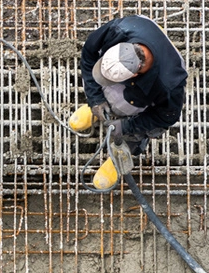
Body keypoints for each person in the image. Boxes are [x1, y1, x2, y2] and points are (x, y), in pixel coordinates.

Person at [69, 15, 187, 191]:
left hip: (145, 101)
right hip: (143, 42)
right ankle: (97, 109)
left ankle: (125, 150)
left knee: (147, 128)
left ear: (134, 75)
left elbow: (166, 118)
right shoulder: (120, 30)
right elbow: (88, 53)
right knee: (104, 88)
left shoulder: (169, 84)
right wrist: (95, 99)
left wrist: (127, 126)